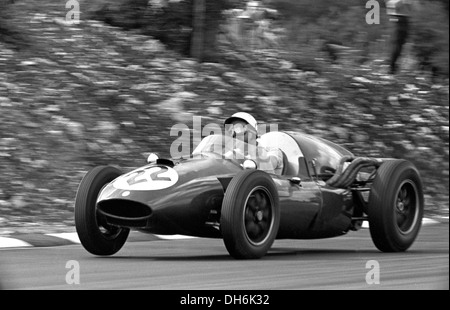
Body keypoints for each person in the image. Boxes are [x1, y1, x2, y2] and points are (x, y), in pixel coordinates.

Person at [386, 0, 412, 74]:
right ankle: (392, 67)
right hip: (400, 20)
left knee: (399, 44)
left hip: (402, 21)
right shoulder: (395, 2)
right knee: (397, 44)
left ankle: (392, 66)